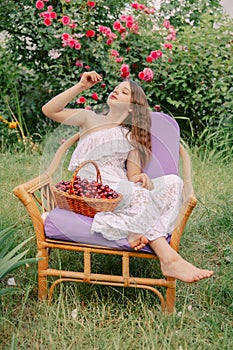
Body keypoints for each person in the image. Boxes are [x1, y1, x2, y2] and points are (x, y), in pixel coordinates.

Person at [42, 71, 214, 283]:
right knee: (137, 197)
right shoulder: (89, 119)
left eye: (124, 92)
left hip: (118, 190)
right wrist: (80, 87)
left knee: (173, 183)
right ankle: (167, 258)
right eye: (116, 88)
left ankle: (136, 230)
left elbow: (133, 176)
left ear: (133, 107)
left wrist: (142, 178)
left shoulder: (132, 137)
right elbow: (49, 110)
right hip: (90, 188)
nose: (116, 91)